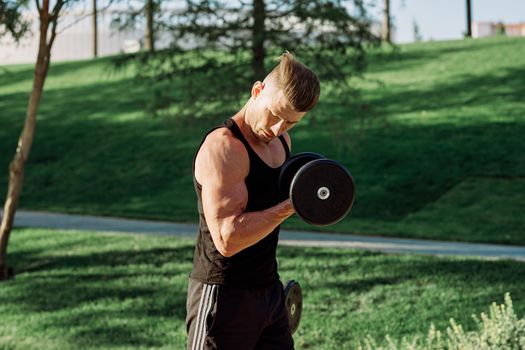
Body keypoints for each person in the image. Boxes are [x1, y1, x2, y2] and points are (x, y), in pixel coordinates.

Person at [186, 52, 321, 350]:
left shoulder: (281, 141)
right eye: (275, 114)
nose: (277, 129)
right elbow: (228, 239)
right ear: (257, 90)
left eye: (290, 123)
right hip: (223, 295)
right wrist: (293, 204)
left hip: (268, 290)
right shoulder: (225, 148)